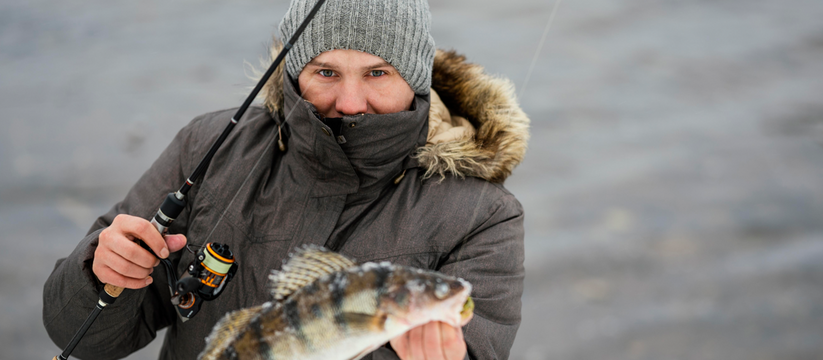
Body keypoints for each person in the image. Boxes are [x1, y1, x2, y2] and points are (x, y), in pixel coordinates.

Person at [43, 0, 530, 359]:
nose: (352, 102)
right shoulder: (207, 146)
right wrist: (100, 276)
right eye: (326, 72)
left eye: (378, 73)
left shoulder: (484, 215)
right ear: (295, 72)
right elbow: (80, 336)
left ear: (416, 77)